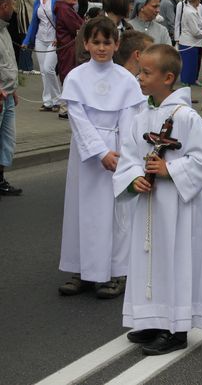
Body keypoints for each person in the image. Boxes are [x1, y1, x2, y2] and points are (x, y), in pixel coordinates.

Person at [113, 44, 202, 356]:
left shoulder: (186, 117)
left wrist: (169, 168)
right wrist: (134, 178)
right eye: (140, 70)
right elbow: (130, 156)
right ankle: (153, 318)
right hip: (150, 203)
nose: (140, 77)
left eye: (146, 72)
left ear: (168, 77)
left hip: (178, 206)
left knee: (176, 260)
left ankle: (176, 328)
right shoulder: (141, 116)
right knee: (150, 259)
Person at [58, 16, 146, 298]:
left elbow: (131, 118)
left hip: (118, 150)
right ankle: (82, 269)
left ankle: (116, 271)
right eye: (95, 42)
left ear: (116, 44)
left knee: (116, 211)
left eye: (107, 42)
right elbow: (78, 119)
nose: (101, 47)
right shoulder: (76, 77)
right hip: (87, 154)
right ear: (86, 43)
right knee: (81, 210)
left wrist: (121, 154)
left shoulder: (126, 80)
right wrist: (99, 151)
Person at [22, 0, 62, 112]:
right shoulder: (37, 1)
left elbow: (61, 21)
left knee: (49, 68)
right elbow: (34, 22)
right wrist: (27, 40)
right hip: (40, 39)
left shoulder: (57, 0)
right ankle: (48, 102)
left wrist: (59, 36)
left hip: (54, 40)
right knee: (44, 71)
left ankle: (58, 99)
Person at [0, 0, 22, 196]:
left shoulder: (4, 28)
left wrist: (12, 87)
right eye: (13, 3)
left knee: (7, 141)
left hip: (7, 95)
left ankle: (0, 179)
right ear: (4, 5)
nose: (14, 8)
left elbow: (7, 62)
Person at [54, 0, 83, 84]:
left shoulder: (67, 8)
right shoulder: (64, 9)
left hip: (68, 48)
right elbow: (78, 28)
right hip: (69, 49)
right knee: (70, 79)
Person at [178, 0, 202, 87]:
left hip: (193, 44)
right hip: (189, 44)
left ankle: (187, 94)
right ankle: (185, 94)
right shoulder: (190, 12)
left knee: (191, 71)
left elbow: (200, 23)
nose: (200, 1)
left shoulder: (193, 9)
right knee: (187, 73)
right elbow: (196, 32)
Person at [15, 0, 38, 74]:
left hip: (21, 20)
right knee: (28, 44)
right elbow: (36, 3)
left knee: (24, 44)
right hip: (28, 20)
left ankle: (22, 67)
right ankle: (28, 68)